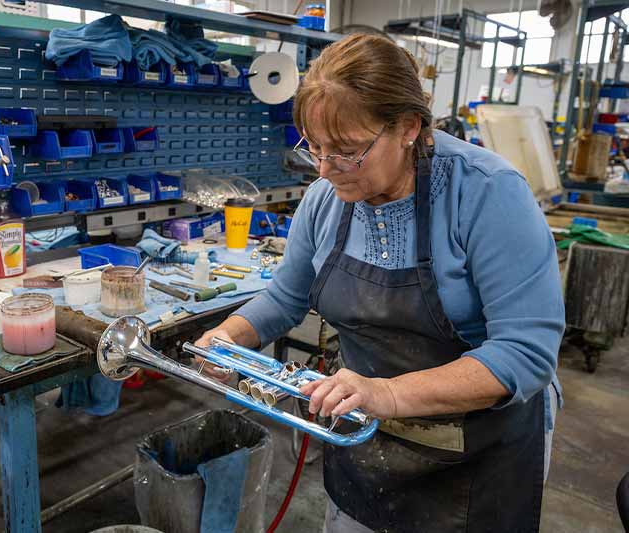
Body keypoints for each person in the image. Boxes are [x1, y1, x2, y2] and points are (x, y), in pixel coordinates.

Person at [196, 34, 564, 533]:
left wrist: (387, 394)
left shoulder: (487, 194)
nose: (325, 170)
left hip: (479, 450)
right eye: (316, 149)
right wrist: (231, 336)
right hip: (365, 435)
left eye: (346, 151)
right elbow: (286, 296)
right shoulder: (325, 200)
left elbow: (526, 352)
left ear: (408, 127)